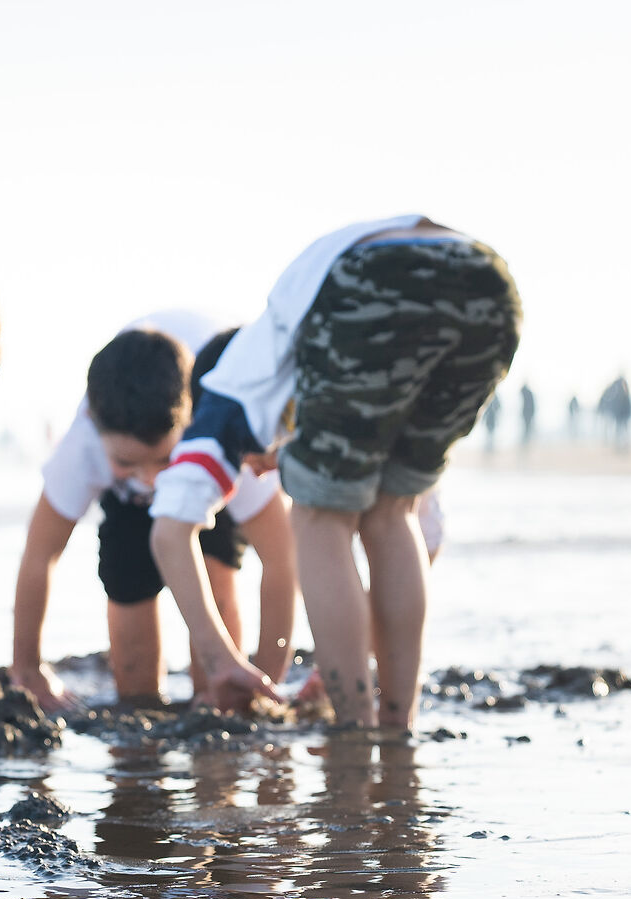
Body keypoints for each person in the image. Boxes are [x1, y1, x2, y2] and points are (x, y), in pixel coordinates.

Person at [144, 216, 521, 733]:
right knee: (392, 512)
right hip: (489, 284)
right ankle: (397, 725)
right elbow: (425, 532)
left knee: (319, 516)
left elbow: (168, 529)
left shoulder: (229, 385)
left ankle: (355, 729)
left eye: (252, 461)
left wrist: (219, 661)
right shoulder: (341, 392)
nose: (254, 469)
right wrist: (345, 653)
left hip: (380, 274)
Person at [9, 314, 298, 711]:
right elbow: (40, 556)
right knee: (131, 631)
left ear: (191, 420)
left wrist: (267, 678)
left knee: (216, 586)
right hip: (124, 504)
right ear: (93, 424)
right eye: (129, 463)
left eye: (162, 461)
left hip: (203, 487)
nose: (150, 481)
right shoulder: (83, 448)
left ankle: (216, 694)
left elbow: (283, 562)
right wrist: (28, 669)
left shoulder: (228, 433)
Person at [599, 374, 631, 453]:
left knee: (622, 431)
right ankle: (620, 447)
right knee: (620, 431)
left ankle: (623, 447)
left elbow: (626, 406)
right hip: (620, 415)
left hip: (622, 415)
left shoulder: (619, 393)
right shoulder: (622, 394)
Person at [517, 382, 537, 453]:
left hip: (527, 415)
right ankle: (526, 444)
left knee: (526, 430)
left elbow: (530, 406)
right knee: (527, 430)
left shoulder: (526, 393)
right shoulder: (528, 393)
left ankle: (526, 444)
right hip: (527, 415)